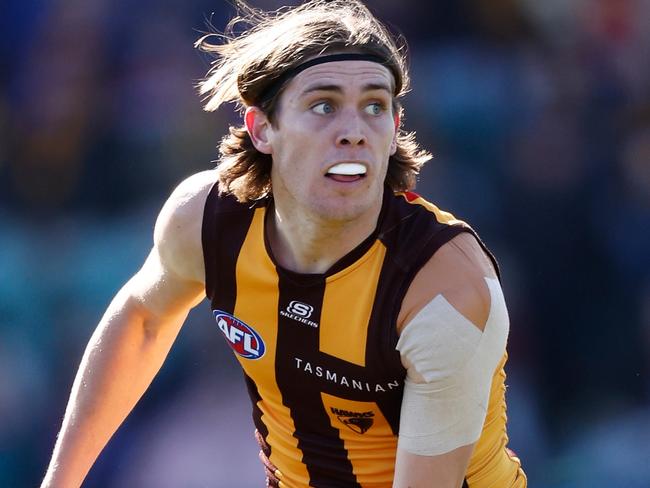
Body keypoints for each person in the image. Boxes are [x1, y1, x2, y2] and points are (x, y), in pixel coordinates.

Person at [41, 1, 526, 486]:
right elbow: (144, 322)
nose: (354, 132)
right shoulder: (208, 220)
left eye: (375, 106)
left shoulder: (443, 288)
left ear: (395, 129)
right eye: (324, 106)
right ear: (261, 129)